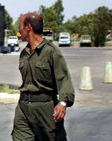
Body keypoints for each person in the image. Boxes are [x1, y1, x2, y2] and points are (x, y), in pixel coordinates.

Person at [12, 13, 74, 141]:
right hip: (23, 107)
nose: (19, 30)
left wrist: (62, 103)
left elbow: (63, 78)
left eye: (20, 27)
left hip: (45, 107)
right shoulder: (24, 53)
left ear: (28, 27)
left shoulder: (51, 52)